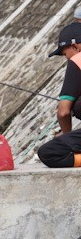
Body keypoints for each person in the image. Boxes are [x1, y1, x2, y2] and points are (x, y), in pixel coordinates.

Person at [37, 23, 81, 168]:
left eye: (64, 53)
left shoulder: (77, 60)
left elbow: (63, 112)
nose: (66, 58)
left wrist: (66, 134)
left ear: (75, 47)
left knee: (49, 152)